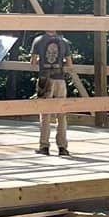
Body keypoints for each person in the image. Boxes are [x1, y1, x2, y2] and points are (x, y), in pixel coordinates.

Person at [32, 28, 75, 156]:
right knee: (61, 115)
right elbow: (69, 64)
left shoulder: (38, 41)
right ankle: (62, 147)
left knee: (45, 114)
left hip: (44, 80)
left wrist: (42, 62)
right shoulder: (64, 42)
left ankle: (44, 146)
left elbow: (33, 62)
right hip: (60, 80)